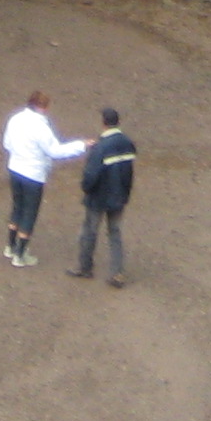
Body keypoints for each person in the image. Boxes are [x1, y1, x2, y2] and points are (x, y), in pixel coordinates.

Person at [0, 89, 87, 268]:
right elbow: (55, 151)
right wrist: (81, 145)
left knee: (17, 208)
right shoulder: (41, 128)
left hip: (15, 169)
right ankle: (20, 255)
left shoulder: (15, 119)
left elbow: (7, 143)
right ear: (42, 107)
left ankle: (10, 246)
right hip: (33, 175)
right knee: (29, 213)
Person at [72, 107, 135, 287]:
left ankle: (85, 267)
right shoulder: (127, 143)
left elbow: (91, 175)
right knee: (115, 233)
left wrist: (86, 189)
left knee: (90, 231)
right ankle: (117, 273)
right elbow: (129, 173)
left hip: (98, 198)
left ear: (104, 123)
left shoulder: (100, 147)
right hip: (119, 196)